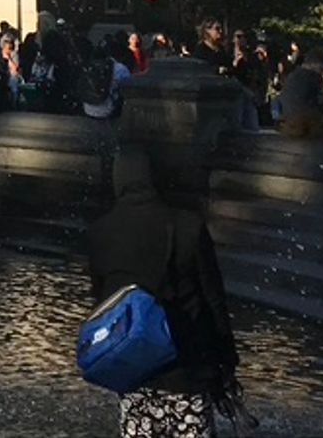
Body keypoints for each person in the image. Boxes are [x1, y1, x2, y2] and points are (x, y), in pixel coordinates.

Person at [86, 149, 241, 437]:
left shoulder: (100, 232)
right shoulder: (188, 227)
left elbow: (103, 303)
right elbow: (213, 301)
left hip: (135, 369)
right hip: (187, 367)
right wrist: (227, 362)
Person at [273, 49, 323, 139]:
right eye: (322, 69)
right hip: (306, 123)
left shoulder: (293, 75)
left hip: (288, 120)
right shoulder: (313, 77)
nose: (322, 73)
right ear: (314, 64)